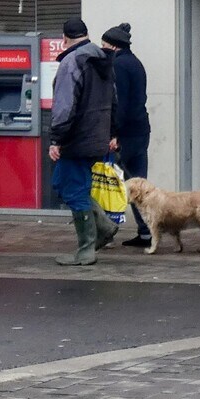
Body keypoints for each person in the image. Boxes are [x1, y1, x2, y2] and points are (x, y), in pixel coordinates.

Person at [47, 17, 116, 266]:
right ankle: (105, 227)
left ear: (64, 39)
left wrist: (57, 139)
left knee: (73, 189)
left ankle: (86, 249)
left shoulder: (72, 62)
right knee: (64, 183)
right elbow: (114, 101)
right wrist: (110, 133)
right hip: (97, 136)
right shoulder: (103, 60)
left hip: (76, 138)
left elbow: (64, 107)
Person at [100, 22, 150, 246]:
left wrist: (114, 134)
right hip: (141, 131)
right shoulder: (136, 63)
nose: (101, 49)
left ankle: (106, 233)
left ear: (113, 46)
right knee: (138, 185)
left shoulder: (119, 66)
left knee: (111, 183)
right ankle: (147, 232)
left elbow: (121, 104)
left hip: (125, 135)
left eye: (103, 45)